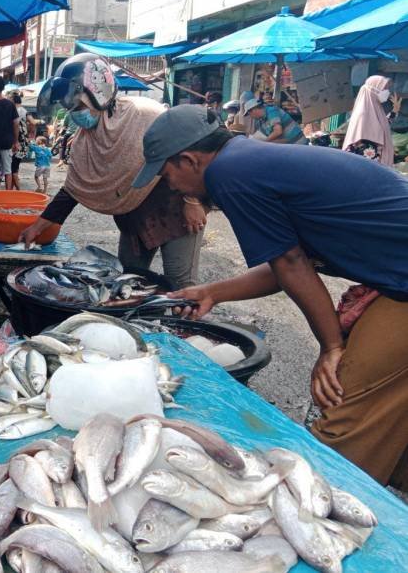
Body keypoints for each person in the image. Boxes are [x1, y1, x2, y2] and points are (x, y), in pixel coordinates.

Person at [133, 104, 408, 488]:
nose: (171, 186)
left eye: (166, 174)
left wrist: (330, 347)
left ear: (189, 160)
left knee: (343, 407)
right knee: (387, 413)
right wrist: (213, 292)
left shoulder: (230, 173)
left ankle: (323, 515)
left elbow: (292, 263)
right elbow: (287, 266)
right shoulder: (248, 160)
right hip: (395, 277)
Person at [20, 53, 206, 287]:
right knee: (128, 280)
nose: (75, 114)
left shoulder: (145, 114)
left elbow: (190, 152)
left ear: (98, 94)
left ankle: (182, 325)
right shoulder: (83, 142)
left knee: (181, 283)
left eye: (78, 106)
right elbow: (72, 191)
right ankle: (142, 325)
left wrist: (193, 201)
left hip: (175, 210)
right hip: (133, 219)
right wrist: (37, 227)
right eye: (71, 109)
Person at [341, 75, 396, 165]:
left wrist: (394, 111)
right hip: (367, 163)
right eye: (384, 88)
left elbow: (381, 127)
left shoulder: (375, 108)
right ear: (373, 90)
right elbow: (366, 141)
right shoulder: (363, 113)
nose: (387, 92)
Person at [10, 93, 29, 190]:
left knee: (13, 170)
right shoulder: (24, 110)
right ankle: (11, 190)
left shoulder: (17, 110)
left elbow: (15, 126)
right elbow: (32, 122)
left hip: (18, 144)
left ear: (13, 100)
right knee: (14, 167)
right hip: (24, 143)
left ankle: (19, 190)